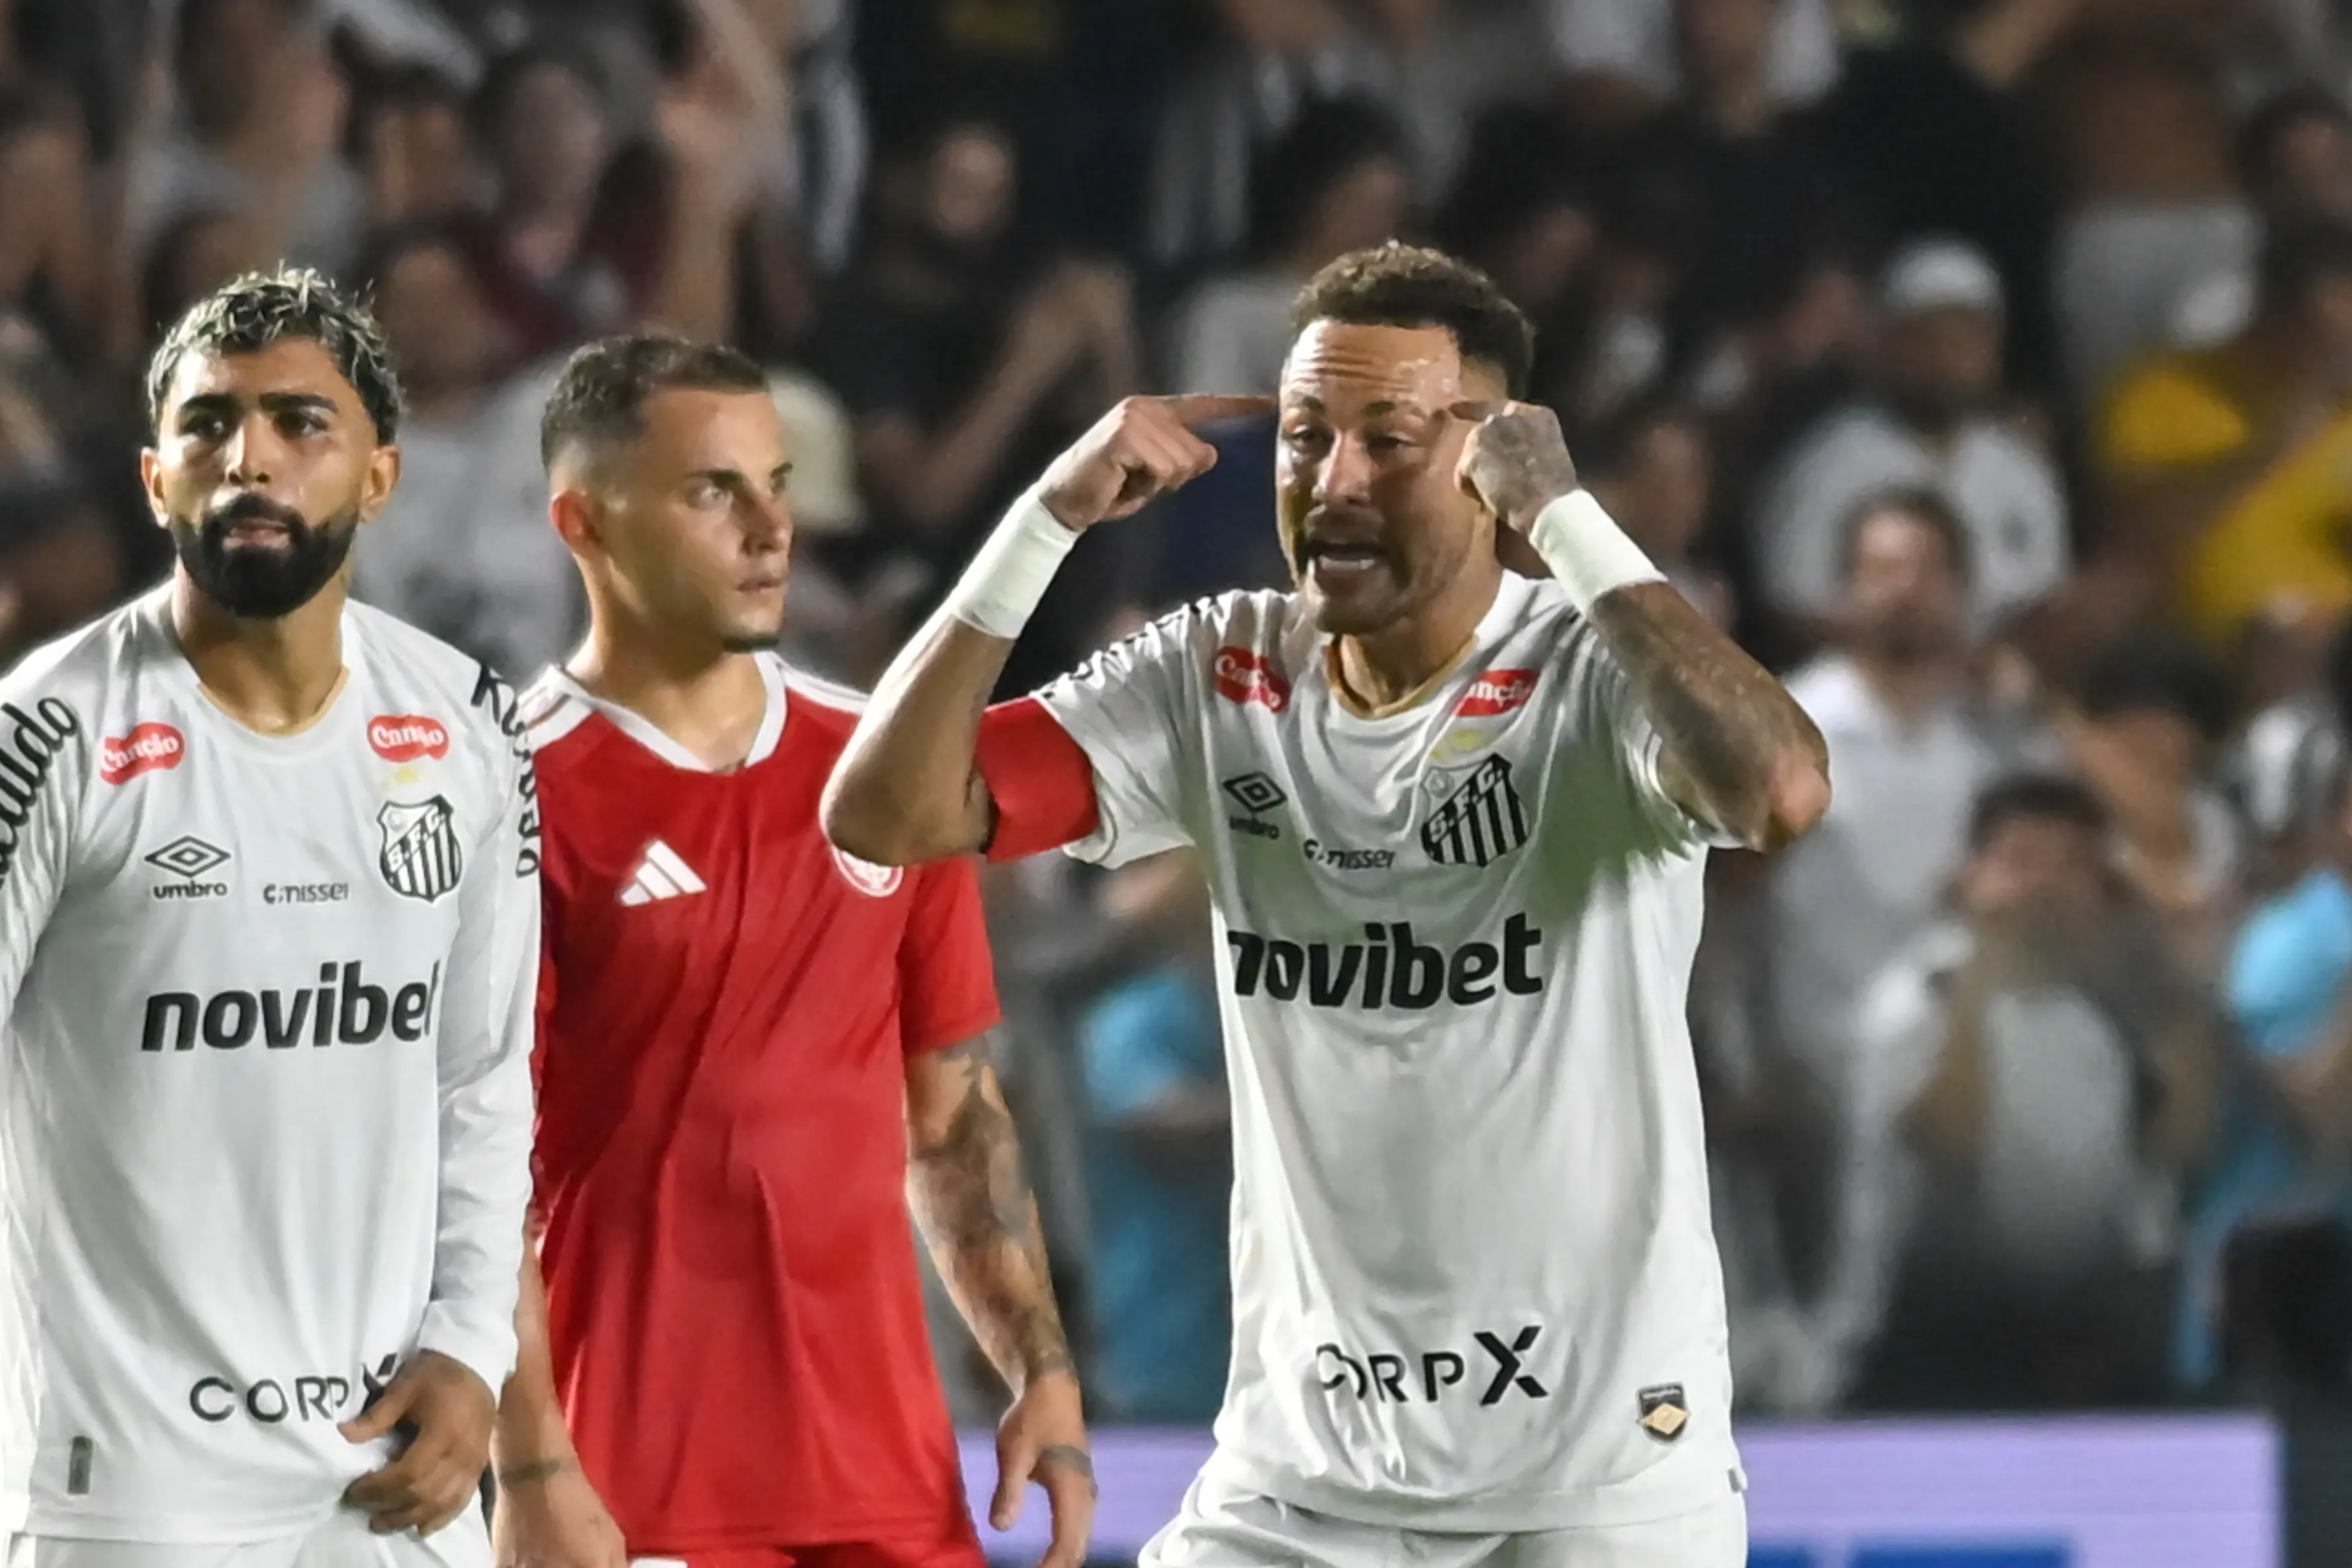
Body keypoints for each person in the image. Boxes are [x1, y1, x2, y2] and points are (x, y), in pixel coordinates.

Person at [824, 242, 1830, 1566]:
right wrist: (1043, 523)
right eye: (1305, 437)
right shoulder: (1219, 667)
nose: (1334, 480)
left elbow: (1774, 789)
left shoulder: (1592, 673)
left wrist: (1572, 523)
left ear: (1492, 463)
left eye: (1391, 440)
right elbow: (883, 813)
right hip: (1306, 1477)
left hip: (1596, 1477)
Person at [490, 335, 1093, 1568]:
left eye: (777, 483)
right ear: (583, 522)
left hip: (890, 1481)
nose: (773, 528)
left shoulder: (885, 773)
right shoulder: (502, 790)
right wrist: (532, 1462)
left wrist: (1038, 1364)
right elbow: (469, 1173)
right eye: (714, 490)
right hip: (633, 1489)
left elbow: (953, 1112)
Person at [0, 268, 539, 1560]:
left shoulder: (470, 721)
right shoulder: (50, 730)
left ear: (380, 476)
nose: (251, 458)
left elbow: (483, 1075)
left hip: (390, 1466)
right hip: (123, 1486)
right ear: (154, 478)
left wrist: (472, 1346)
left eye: (302, 423)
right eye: (209, 424)